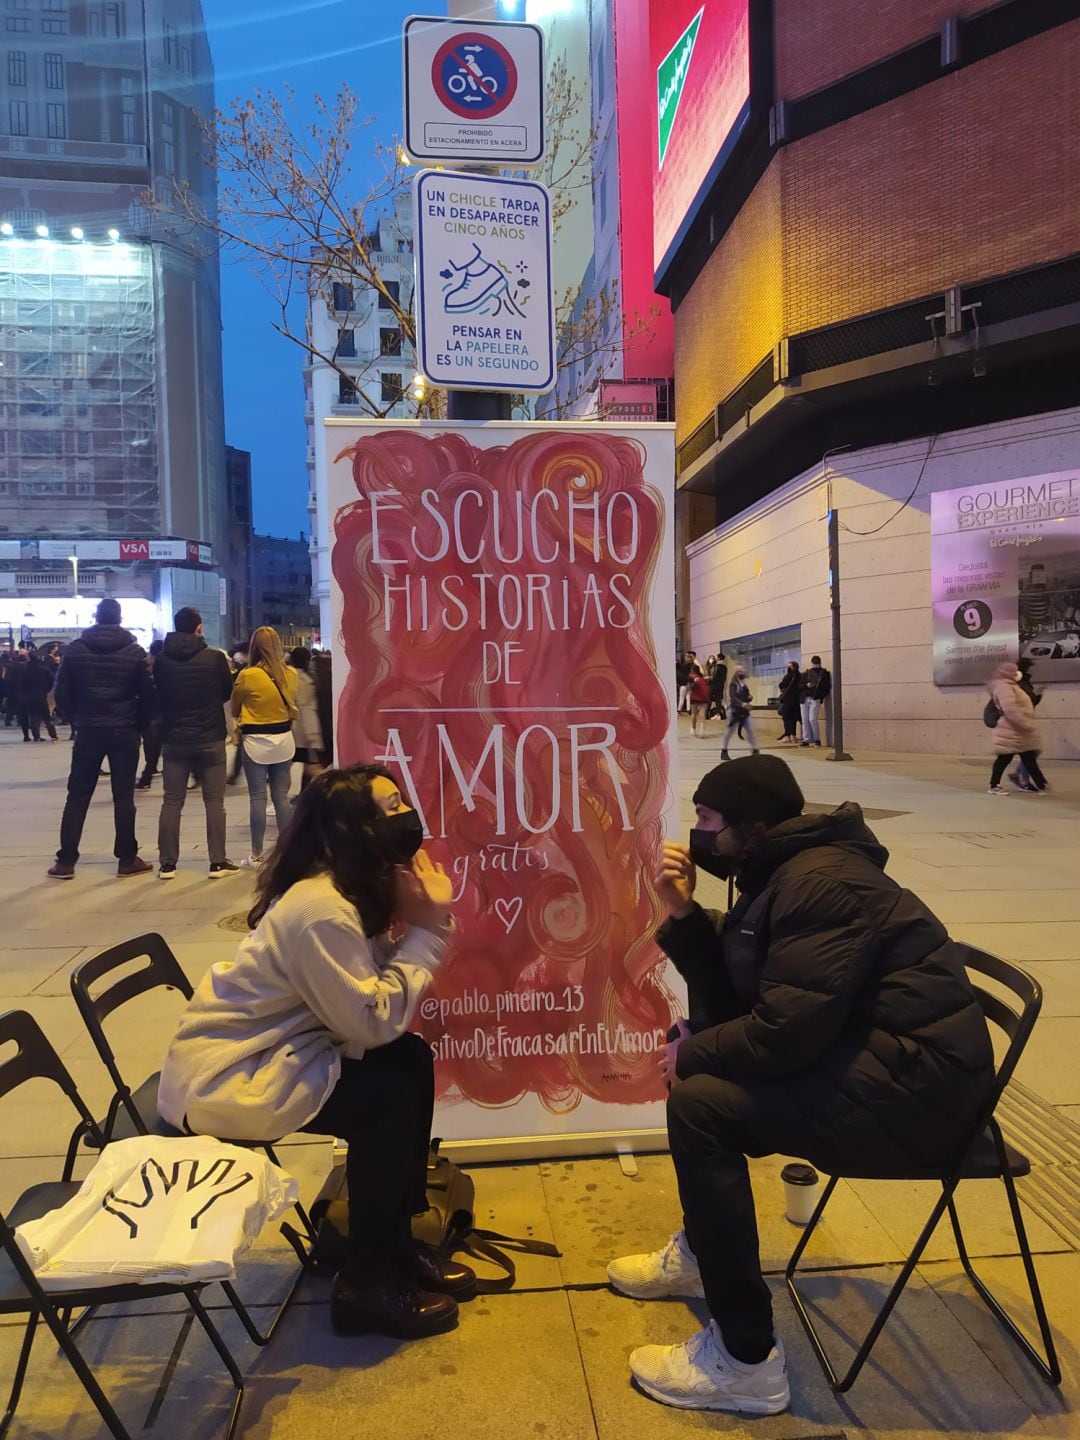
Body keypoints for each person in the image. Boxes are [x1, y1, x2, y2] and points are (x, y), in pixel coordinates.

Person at [609, 754, 994, 1414]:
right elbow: (742, 993)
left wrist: (699, 1053)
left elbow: (783, 1033)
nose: (697, 834)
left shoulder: (820, 884)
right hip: (879, 1067)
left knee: (701, 1104)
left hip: (916, 1100)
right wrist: (681, 914)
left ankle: (746, 1361)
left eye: (708, 820)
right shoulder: (780, 873)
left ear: (751, 828)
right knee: (698, 1063)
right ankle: (706, 1252)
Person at [157, 764, 470, 1338]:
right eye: (391, 807)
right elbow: (370, 1019)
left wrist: (413, 921)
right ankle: (366, 1283)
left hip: (281, 1050)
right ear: (354, 830)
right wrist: (429, 929)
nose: (407, 816)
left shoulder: (348, 890)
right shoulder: (320, 908)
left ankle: (395, 1243)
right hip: (230, 1074)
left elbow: (364, 1000)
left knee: (411, 1061)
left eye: (403, 802)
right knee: (390, 1097)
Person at [48, 598, 154, 880]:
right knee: (123, 796)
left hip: (89, 730)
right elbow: (148, 695)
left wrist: (77, 718)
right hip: (124, 730)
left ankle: (66, 860)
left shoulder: (75, 651)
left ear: (96, 617)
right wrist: (137, 723)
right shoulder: (134, 652)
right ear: (119, 619)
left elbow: (61, 693)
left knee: (78, 795)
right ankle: (127, 859)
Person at [152, 607, 239, 879]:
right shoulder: (214, 658)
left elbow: (160, 694)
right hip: (210, 738)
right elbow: (227, 691)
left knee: (172, 801)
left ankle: (167, 864)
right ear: (199, 628)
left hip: (175, 739)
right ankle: (217, 862)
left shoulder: (163, 660)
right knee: (214, 801)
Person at [232, 627, 299, 867]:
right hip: (283, 740)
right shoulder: (291, 673)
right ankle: (289, 851)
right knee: (281, 797)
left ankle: (257, 854)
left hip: (255, 742)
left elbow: (234, 707)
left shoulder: (248, 675)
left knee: (257, 799)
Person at [986, 660, 1048, 795]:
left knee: (1028, 757)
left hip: (1017, 730)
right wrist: (1024, 724)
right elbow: (1010, 709)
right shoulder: (1004, 686)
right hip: (1011, 730)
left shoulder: (1011, 685)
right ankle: (994, 785)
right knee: (1005, 759)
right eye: (1014, 671)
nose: (1017, 673)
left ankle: (1041, 785)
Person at [290, 645, 326, 788]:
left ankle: (283, 798)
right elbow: (307, 709)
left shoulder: (291, 677)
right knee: (311, 765)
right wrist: (313, 735)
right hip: (305, 731)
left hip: (295, 731)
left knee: (287, 766)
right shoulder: (307, 679)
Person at [1007, 658, 1044, 791]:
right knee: (1029, 752)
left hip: (1024, 721)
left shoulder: (1023, 682)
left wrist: (1037, 696)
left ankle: (1019, 777)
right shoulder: (1019, 683)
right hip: (1020, 722)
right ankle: (1023, 780)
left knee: (1030, 752)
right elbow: (1024, 701)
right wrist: (1036, 696)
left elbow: (1029, 702)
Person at [136, 639, 165, 788]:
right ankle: (149, 772)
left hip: (148, 711)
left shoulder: (143, 665)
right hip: (160, 711)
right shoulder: (167, 665)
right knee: (157, 744)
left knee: (151, 743)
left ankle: (148, 774)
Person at [15, 645, 59, 742]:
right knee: (47, 717)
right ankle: (53, 735)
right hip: (41, 695)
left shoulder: (26, 670)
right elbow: (52, 681)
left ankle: (36, 736)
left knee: (34, 717)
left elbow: (21, 683)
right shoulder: (44, 669)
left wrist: (25, 692)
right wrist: (46, 690)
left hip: (30, 696)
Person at [720, 667, 758, 760]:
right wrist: (742, 703)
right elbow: (733, 697)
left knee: (750, 730)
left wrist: (749, 698)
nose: (743, 673)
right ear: (736, 673)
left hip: (744, 712)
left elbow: (747, 695)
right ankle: (724, 750)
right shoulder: (733, 684)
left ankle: (755, 750)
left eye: (744, 672)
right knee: (729, 732)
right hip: (734, 711)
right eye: (741, 672)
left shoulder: (743, 684)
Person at [799, 655, 831, 748]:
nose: (815, 665)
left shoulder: (824, 673)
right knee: (805, 719)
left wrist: (820, 697)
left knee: (812, 719)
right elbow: (800, 686)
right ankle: (807, 739)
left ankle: (816, 739)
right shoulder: (807, 673)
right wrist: (806, 685)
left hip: (815, 698)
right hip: (805, 698)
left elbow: (826, 687)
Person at [777, 661, 802, 744]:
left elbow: (781, 685)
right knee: (794, 719)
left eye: (789, 667)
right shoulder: (800, 675)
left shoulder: (789, 676)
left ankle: (788, 735)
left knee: (786, 718)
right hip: (797, 701)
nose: (787, 668)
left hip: (788, 700)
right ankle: (793, 736)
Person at [688, 666, 711, 738]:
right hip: (704, 698)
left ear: (692, 670)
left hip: (695, 697)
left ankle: (693, 729)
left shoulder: (691, 677)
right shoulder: (702, 678)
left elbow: (690, 687)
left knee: (694, 714)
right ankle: (702, 732)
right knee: (702, 716)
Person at [707, 652, 728, 721]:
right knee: (718, 700)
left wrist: (708, 678)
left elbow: (714, 677)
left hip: (713, 685)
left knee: (709, 698)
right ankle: (718, 714)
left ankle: (706, 713)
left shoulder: (717, 666)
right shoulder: (725, 667)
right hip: (720, 686)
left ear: (718, 658)